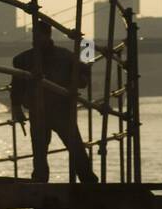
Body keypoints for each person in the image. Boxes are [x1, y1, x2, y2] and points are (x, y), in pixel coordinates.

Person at [10, 19, 97, 184]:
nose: (34, 39)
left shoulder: (25, 59)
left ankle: (45, 183)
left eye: (37, 35)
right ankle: (88, 183)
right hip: (50, 109)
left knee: (66, 149)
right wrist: (16, 108)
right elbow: (17, 86)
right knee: (49, 151)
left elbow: (82, 79)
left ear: (46, 35)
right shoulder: (64, 56)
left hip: (57, 110)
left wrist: (17, 107)